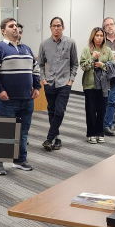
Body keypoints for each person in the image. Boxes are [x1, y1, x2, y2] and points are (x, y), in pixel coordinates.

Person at [0, 18, 41, 175]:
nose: (15, 29)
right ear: (3, 31)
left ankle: (19, 160)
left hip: (26, 99)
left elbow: (35, 69)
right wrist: (0, 90)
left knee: (23, 131)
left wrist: (37, 86)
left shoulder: (26, 49)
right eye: (11, 26)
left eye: (17, 26)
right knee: (4, 131)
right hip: (7, 100)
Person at [37, 17, 78, 151]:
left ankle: (49, 138)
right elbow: (41, 64)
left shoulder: (70, 43)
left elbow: (74, 63)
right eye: (54, 26)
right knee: (52, 111)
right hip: (49, 82)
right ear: (50, 28)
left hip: (64, 83)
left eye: (59, 26)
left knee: (59, 111)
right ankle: (57, 138)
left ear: (63, 28)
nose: (56, 28)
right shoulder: (44, 44)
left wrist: (70, 81)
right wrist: (43, 80)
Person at [80, 27, 115, 144]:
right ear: (93, 37)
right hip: (90, 85)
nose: (99, 38)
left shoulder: (108, 50)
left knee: (101, 110)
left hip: (104, 86)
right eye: (97, 35)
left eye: (101, 35)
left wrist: (102, 65)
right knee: (90, 110)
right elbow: (83, 66)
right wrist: (93, 58)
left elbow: (113, 67)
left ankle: (100, 133)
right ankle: (91, 133)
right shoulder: (86, 50)